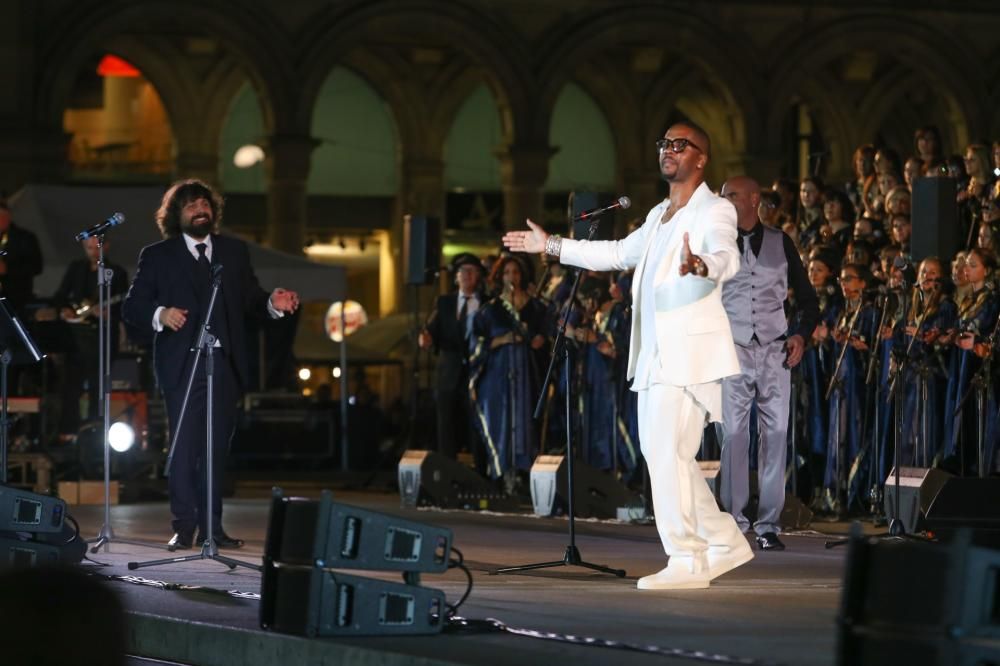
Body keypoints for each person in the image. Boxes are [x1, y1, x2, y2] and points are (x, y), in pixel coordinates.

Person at [503, 120, 753, 590]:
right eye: (664, 143)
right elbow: (617, 253)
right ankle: (723, 541)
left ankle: (687, 557)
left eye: (680, 145)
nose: (668, 150)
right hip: (655, 354)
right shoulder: (659, 214)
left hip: (686, 354)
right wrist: (550, 245)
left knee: (667, 454)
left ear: (701, 158)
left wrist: (702, 264)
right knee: (665, 455)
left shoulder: (714, 209)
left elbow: (728, 256)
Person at [122, 179, 299, 550]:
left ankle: (212, 530)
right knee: (185, 448)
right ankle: (184, 526)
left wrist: (272, 303)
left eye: (204, 203)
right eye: (190, 205)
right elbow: (133, 307)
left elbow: (250, 298)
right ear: (176, 215)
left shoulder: (233, 251)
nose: (199, 209)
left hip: (223, 363)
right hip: (182, 365)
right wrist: (161, 314)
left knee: (215, 450)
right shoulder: (158, 255)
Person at [716, 176, 819, 551]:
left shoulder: (781, 241)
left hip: (775, 351)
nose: (724, 201)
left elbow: (808, 299)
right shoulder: (717, 242)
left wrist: (800, 334)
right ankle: (734, 519)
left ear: (753, 199)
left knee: (775, 435)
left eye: (731, 195)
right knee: (733, 434)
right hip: (732, 349)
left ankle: (768, 524)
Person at [468, 254, 546, 492]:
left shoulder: (536, 307)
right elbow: (476, 343)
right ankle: (503, 472)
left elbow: (547, 335)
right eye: (507, 273)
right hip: (498, 375)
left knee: (526, 421)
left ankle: (524, 474)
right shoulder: (490, 310)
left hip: (527, 375)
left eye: (516, 272)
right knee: (500, 421)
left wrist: (541, 341)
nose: (512, 277)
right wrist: (501, 340)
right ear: (500, 276)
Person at [51, 236, 129, 437]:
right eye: (89, 248)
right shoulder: (76, 269)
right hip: (77, 336)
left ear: (106, 246)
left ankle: (96, 430)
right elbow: (60, 296)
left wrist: (108, 314)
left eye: (97, 247)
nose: (93, 252)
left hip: (102, 336)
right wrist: (65, 310)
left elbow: (125, 304)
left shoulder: (117, 272)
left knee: (99, 385)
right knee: (70, 384)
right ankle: (69, 431)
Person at [418, 253, 486, 467]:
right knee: (446, 426)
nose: (467, 275)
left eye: (472, 271)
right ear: (456, 277)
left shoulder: (486, 303)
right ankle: (447, 471)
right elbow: (432, 330)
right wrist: (426, 338)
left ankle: (479, 472)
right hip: (449, 374)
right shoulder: (445, 302)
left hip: (477, 375)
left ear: (479, 276)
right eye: (462, 271)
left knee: (476, 427)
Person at [0, 199, 43, 313]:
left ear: (8, 217)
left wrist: (7, 268)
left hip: (16, 298)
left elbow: (36, 267)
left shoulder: (25, 238)